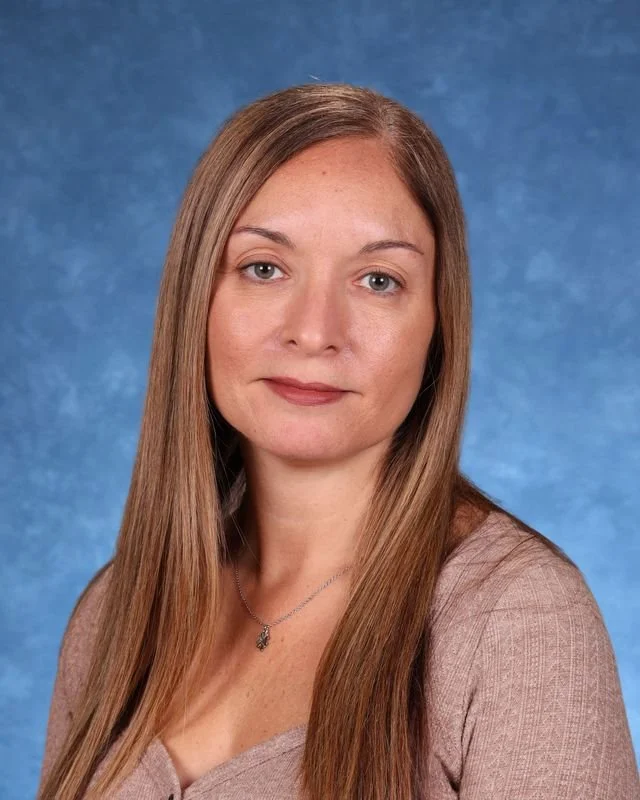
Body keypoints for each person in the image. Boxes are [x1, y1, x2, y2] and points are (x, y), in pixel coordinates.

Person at [37, 82, 639, 800]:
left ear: (438, 326)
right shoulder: (115, 614)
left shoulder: (517, 620)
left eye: (378, 280)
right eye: (264, 268)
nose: (315, 330)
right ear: (197, 296)